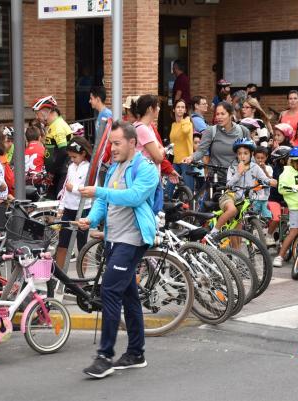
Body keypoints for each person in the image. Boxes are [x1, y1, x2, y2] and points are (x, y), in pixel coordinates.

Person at [77, 121, 158, 379]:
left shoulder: (146, 169)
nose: (111, 148)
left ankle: (105, 356)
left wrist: (99, 191)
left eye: (116, 143)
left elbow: (134, 197)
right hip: (114, 239)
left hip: (132, 240)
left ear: (132, 143)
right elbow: (104, 200)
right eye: (111, 143)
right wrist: (90, 219)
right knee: (128, 296)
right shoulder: (114, 168)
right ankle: (136, 353)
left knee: (110, 290)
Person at [212, 139, 275, 234]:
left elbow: (264, 179)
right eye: (239, 153)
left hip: (244, 201)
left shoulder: (255, 167)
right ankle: (214, 232)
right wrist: (238, 173)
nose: (242, 156)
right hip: (230, 197)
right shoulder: (232, 167)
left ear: (251, 154)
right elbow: (228, 185)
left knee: (237, 233)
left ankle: (236, 249)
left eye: (245, 153)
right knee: (232, 210)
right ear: (237, 155)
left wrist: (271, 181)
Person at [183, 101, 251, 184]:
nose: (219, 117)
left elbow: (250, 154)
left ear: (230, 115)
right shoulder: (211, 131)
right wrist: (191, 158)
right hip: (215, 177)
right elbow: (201, 151)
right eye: (217, 114)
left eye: (222, 114)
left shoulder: (243, 131)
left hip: (237, 177)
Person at [55, 137, 92, 269]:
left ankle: (81, 280)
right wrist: (61, 206)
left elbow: (92, 189)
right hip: (69, 209)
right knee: (62, 244)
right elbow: (65, 187)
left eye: (74, 156)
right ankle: (58, 276)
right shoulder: (71, 167)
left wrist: (75, 189)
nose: (72, 160)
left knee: (82, 246)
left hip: (83, 209)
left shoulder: (89, 167)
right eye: (70, 157)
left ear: (83, 153)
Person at [32, 96, 71, 198]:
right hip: (55, 172)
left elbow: (63, 152)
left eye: (37, 113)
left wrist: (51, 172)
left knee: (57, 202)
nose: (37, 117)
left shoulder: (58, 126)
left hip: (61, 173)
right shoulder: (53, 125)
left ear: (47, 111)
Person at [166, 99, 194, 196]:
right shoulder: (173, 125)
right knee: (169, 187)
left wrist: (185, 119)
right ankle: (166, 209)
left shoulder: (187, 123)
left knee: (188, 190)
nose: (180, 109)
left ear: (185, 110)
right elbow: (173, 142)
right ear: (174, 109)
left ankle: (191, 208)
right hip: (175, 160)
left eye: (183, 107)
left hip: (186, 160)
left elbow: (185, 131)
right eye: (178, 107)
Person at [130, 95, 164, 165]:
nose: (159, 108)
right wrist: (162, 151)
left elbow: (160, 148)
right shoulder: (142, 129)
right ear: (150, 109)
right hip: (146, 174)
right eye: (157, 106)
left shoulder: (148, 127)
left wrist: (160, 150)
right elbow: (159, 158)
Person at [252, 147, 274, 220]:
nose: (260, 160)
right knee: (253, 215)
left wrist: (264, 169)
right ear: (254, 157)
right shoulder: (252, 168)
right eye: (258, 158)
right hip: (254, 197)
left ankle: (264, 230)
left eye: (262, 158)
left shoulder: (268, 168)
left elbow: (270, 180)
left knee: (267, 216)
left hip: (266, 197)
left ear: (266, 157)